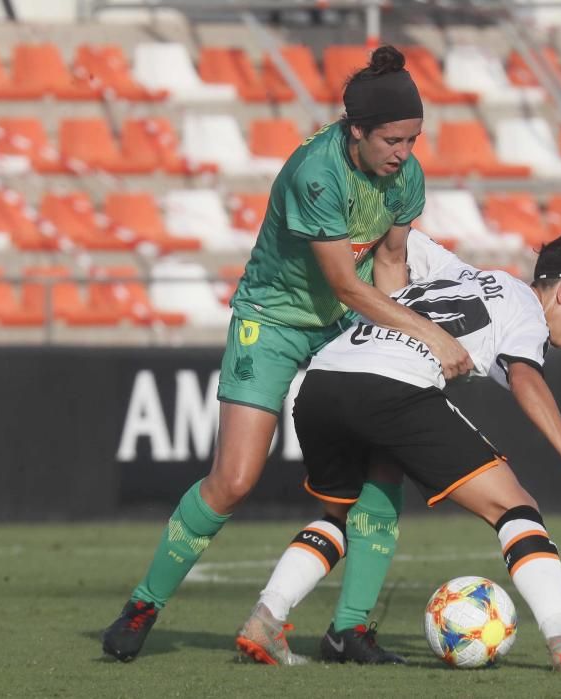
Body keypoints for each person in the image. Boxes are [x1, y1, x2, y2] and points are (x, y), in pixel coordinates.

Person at [101, 46, 473, 663]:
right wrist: (430, 335)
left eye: (413, 139)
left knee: (383, 467)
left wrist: (399, 346)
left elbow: (387, 266)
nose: (404, 153)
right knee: (235, 479)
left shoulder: (406, 173)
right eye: (392, 140)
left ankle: (349, 629)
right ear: (356, 130)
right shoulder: (316, 172)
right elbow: (345, 283)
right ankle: (144, 603)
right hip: (271, 323)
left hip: (343, 326)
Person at [235, 230, 561, 672]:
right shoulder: (528, 312)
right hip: (391, 386)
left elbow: (394, 235)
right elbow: (526, 378)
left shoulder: (457, 271)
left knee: (339, 513)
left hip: (321, 381)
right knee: (516, 507)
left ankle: (266, 617)